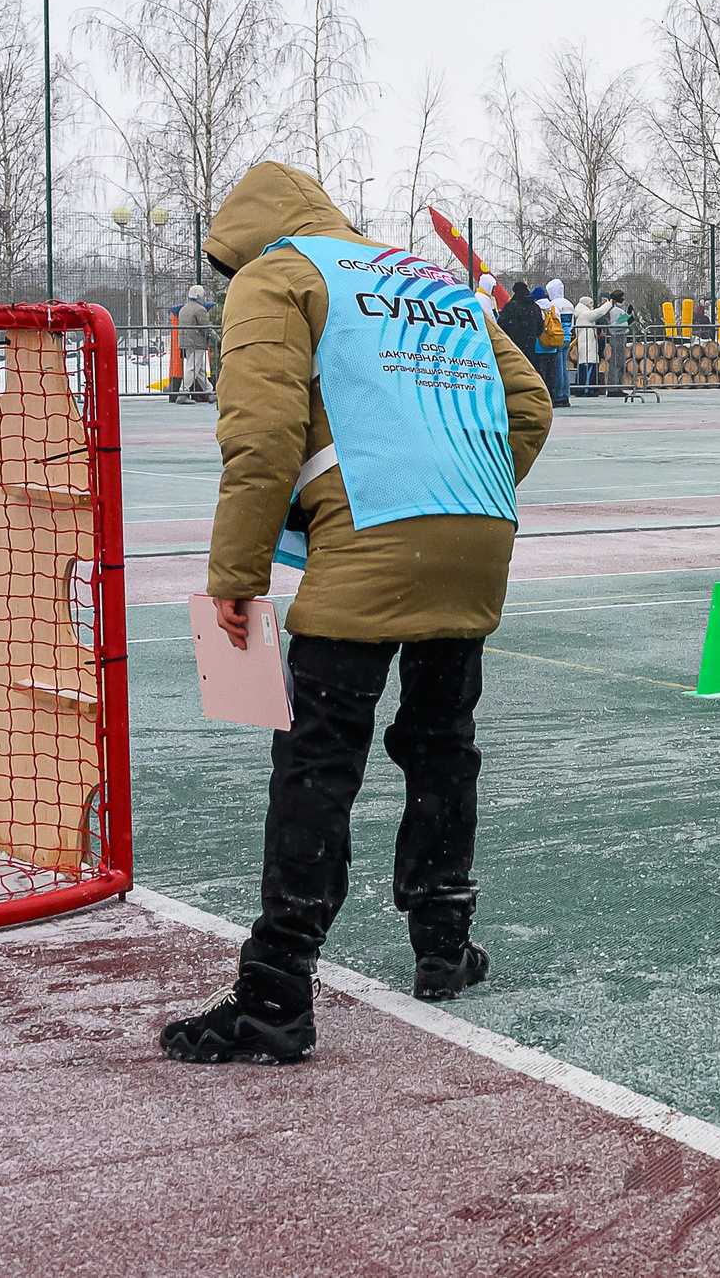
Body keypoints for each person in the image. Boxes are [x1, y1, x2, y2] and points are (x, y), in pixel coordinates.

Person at [160, 162, 553, 1065]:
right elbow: (526, 402)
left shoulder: (278, 276)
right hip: (476, 523)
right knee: (442, 737)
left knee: (319, 753)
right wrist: (466, 485)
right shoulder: (416, 271)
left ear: (238, 244)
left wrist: (239, 572)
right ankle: (444, 942)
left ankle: (274, 990)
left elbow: (259, 436)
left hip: (375, 530)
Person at [174, 284, 217, 403]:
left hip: (186, 341)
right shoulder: (200, 309)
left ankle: (209, 391)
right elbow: (206, 327)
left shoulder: (184, 308)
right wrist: (217, 338)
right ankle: (183, 392)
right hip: (197, 342)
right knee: (193, 368)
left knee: (199, 369)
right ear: (198, 296)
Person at [572, 295, 602, 395]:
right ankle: (587, 388)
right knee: (588, 367)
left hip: (587, 345)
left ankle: (584, 388)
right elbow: (599, 312)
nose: (592, 305)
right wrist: (609, 304)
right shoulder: (585, 314)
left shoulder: (581, 314)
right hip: (587, 346)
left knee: (586, 366)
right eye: (590, 303)